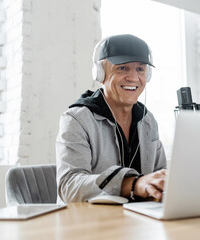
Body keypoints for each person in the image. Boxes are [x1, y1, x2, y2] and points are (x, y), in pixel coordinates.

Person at [56, 34, 167, 203]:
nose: (133, 78)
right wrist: (132, 184)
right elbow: (69, 186)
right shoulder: (76, 120)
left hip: (141, 219)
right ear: (100, 73)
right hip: (90, 222)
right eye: (122, 68)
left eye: (140, 69)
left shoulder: (148, 121)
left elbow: (160, 174)